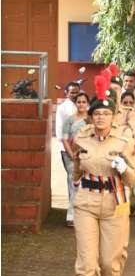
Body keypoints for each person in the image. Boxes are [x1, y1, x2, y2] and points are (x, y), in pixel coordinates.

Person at [72, 74, 135, 276]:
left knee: (110, 261)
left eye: (105, 113)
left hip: (114, 203)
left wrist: (124, 169)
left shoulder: (123, 140)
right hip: (86, 202)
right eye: (96, 113)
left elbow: (134, 179)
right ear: (90, 117)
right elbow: (77, 170)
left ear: (113, 116)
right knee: (86, 262)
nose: (100, 117)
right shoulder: (82, 137)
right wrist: (76, 176)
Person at [62, 92, 90, 226]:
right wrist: (71, 154)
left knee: (87, 185)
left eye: (84, 102)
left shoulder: (91, 119)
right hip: (72, 156)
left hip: (88, 156)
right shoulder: (69, 120)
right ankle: (71, 216)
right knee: (74, 185)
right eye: (79, 102)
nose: (81, 104)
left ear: (88, 104)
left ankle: (85, 216)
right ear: (75, 103)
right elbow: (65, 139)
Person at [56, 81, 80, 226]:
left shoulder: (81, 106)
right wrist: (70, 152)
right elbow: (60, 132)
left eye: (77, 92)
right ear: (66, 93)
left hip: (81, 150)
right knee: (72, 180)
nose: (74, 95)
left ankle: (79, 214)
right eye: (72, 92)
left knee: (79, 182)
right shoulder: (63, 108)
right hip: (68, 150)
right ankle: (71, 216)